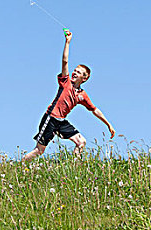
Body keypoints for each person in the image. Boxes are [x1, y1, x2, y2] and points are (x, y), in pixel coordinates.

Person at [22, 30, 115, 162]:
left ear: (85, 78)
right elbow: (65, 61)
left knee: (81, 142)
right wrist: (67, 42)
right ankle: (21, 166)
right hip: (50, 119)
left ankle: (74, 167)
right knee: (40, 150)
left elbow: (95, 110)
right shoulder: (65, 82)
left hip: (61, 122)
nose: (75, 72)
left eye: (79, 72)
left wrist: (108, 124)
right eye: (75, 70)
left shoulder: (82, 95)